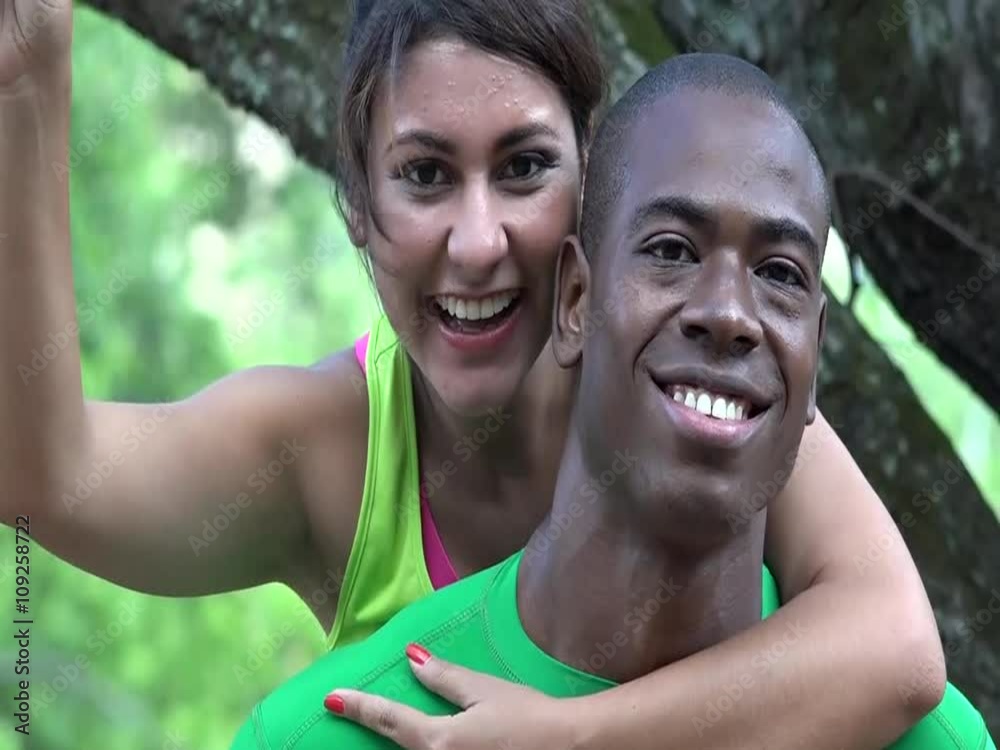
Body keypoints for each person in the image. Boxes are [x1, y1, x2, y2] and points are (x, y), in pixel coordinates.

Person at [1, 0, 944, 747]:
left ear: (594, 185)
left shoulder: (686, 395)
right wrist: (27, 79)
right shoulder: (323, 454)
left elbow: (895, 648)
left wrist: (570, 735)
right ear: (356, 204)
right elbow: (40, 476)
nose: (479, 241)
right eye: (425, 175)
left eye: (526, 167)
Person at [229, 54, 994, 750]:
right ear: (574, 300)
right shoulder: (323, 737)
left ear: (815, 354)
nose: (730, 312)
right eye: (671, 251)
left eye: (780, 274)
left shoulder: (923, 740)